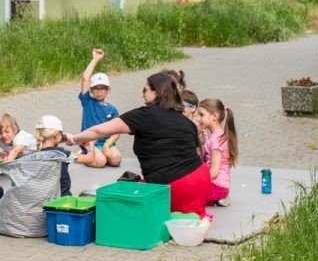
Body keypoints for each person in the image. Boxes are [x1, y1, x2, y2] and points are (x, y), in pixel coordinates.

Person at [66, 72, 210, 217]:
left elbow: (99, 130)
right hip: (201, 181)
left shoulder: (144, 115)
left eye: (145, 90)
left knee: (101, 194)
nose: (142, 94)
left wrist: (73, 139)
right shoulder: (185, 121)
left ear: (157, 92)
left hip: (173, 186)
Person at [76, 49, 124, 168]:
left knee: (116, 159)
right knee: (101, 162)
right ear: (91, 90)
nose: (99, 91)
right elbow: (85, 78)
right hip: (89, 142)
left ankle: (99, 153)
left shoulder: (112, 109)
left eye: (102, 88)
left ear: (108, 90)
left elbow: (117, 131)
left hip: (104, 143)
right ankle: (83, 154)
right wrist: (95, 59)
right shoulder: (87, 102)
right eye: (96, 88)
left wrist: (108, 144)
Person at [196, 98, 238, 207]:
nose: (198, 118)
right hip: (219, 186)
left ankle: (219, 197)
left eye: (201, 115)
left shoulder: (216, 139)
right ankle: (219, 198)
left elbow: (214, 172)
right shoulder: (217, 136)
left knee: (188, 196)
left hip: (217, 186)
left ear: (214, 116)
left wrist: (197, 180)